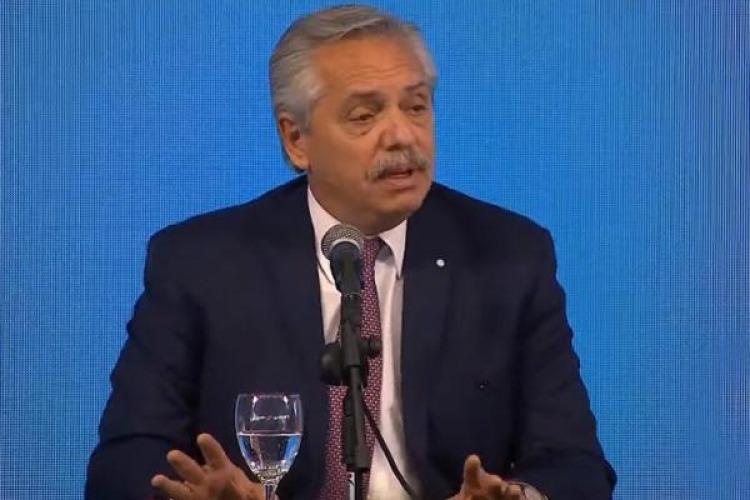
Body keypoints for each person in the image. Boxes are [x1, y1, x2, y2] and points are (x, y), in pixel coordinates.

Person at [86, 5, 616, 500]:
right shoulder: (201, 264)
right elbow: (124, 461)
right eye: (365, 115)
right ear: (297, 140)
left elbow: (575, 464)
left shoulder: (509, 256)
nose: (402, 135)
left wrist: (521, 498)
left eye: (416, 106)